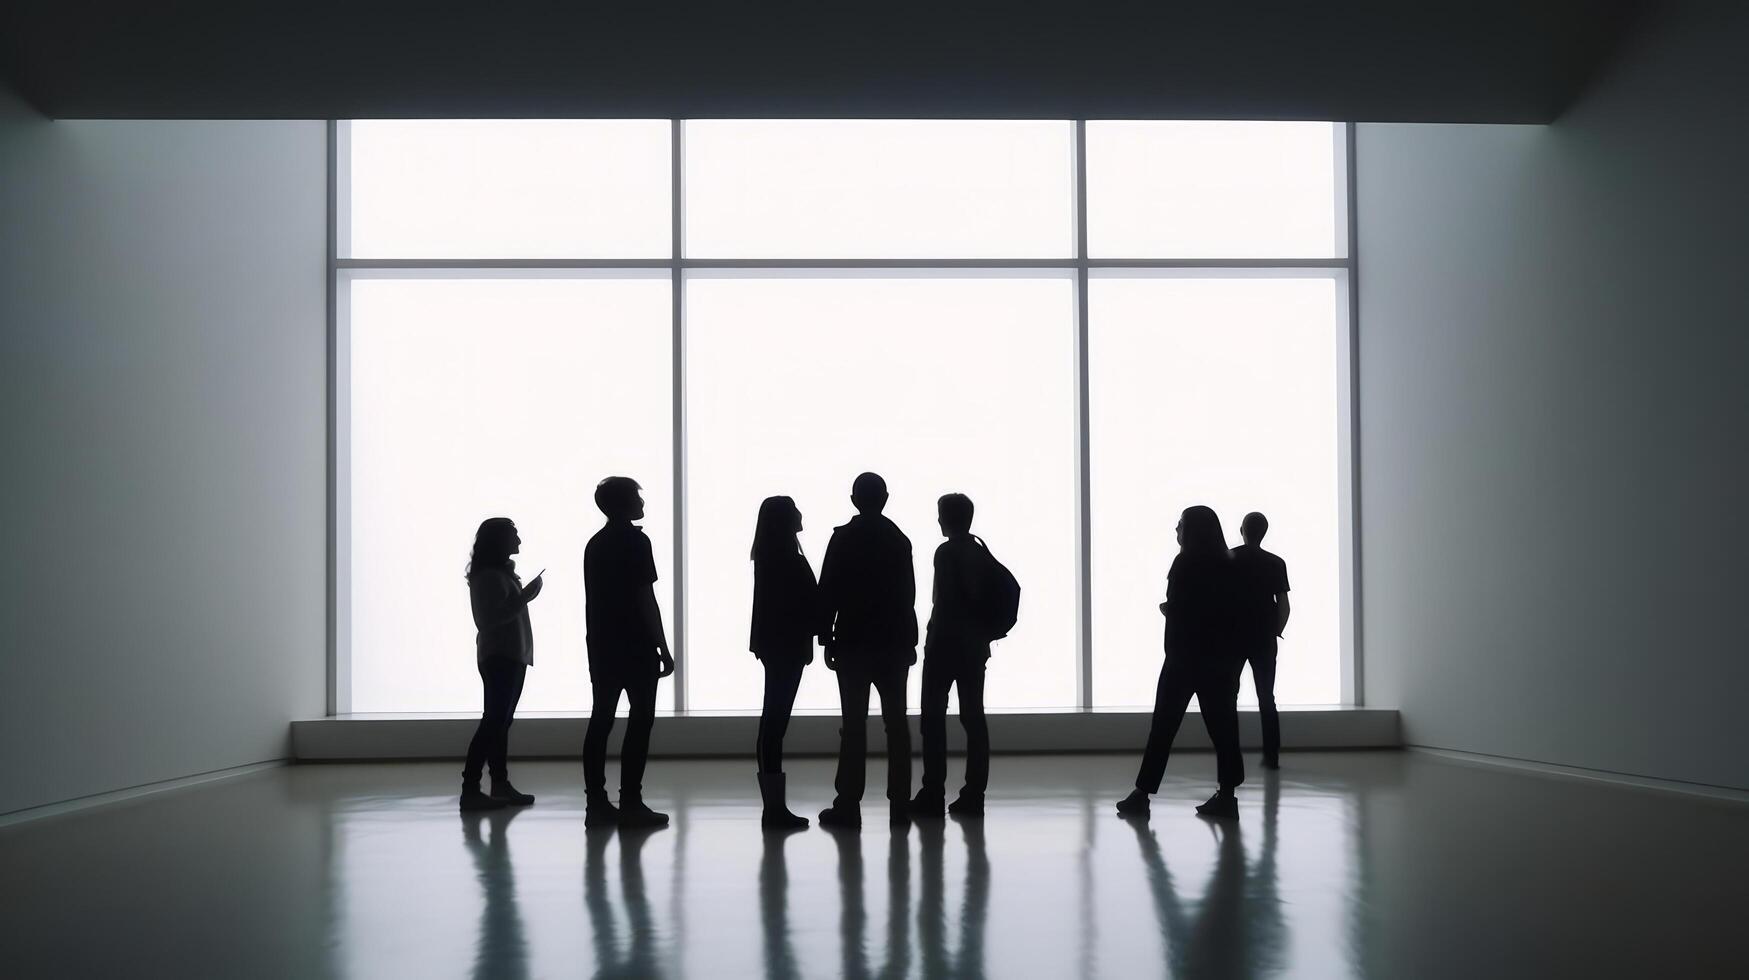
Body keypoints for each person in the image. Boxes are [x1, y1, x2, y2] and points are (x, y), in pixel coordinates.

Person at [1116, 505, 1246, 820]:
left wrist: (1168, 610)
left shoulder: (1184, 562)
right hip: (1219, 663)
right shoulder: (1229, 564)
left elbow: (1181, 610)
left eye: (1180, 525)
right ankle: (1227, 796)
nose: (1176, 530)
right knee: (1224, 730)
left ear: (1191, 530)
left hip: (1183, 660)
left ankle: (1142, 795)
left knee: (1162, 729)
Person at [816, 472, 918, 829]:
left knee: (853, 725)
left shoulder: (843, 539)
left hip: (854, 640)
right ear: (885, 498)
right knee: (897, 724)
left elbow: (829, 589)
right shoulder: (898, 540)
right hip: (892, 641)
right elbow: (908, 596)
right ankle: (900, 803)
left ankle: (847, 803)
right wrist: (910, 640)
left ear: (853, 498)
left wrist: (824, 635)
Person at [581, 476, 675, 828]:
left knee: (601, 719)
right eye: (637, 496)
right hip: (635, 644)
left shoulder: (596, 544)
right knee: (640, 721)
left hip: (603, 644)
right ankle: (631, 801)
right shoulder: (636, 542)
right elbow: (644, 598)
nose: (642, 503)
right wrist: (662, 646)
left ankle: (596, 803)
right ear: (624, 503)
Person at [911, 493, 993, 819]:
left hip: (945, 645)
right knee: (973, 717)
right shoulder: (979, 551)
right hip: (973, 646)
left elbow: (942, 603)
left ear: (947, 518)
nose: (938, 520)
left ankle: (933, 793)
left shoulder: (945, 553)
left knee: (932, 719)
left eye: (940, 514)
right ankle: (974, 794)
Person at [749, 495, 823, 831]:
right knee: (775, 723)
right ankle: (774, 810)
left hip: (776, 645)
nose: (801, 512)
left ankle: (773, 807)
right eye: (795, 509)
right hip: (787, 646)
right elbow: (810, 604)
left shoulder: (769, 556)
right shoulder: (787, 559)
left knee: (772, 722)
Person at [462, 517, 542, 811]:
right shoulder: (490, 578)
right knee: (494, 722)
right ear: (499, 541)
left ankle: (498, 785)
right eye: (514, 535)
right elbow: (488, 620)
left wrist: (523, 596)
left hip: (509, 656)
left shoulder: (497, 575)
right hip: (501, 657)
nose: (519, 541)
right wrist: (525, 597)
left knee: (499, 723)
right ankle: (472, 787)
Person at [1232, 512, 1291, 769]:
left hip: (1232, 636)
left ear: (1242, 530)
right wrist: (1276, 630)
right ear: (1264, 532)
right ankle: (1271, 756)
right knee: (1266, 696)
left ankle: (1231, 753)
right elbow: (1284, 606)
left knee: (1228, 697)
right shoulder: (1276, 563)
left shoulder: (1229, 558)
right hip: (1264, 637)